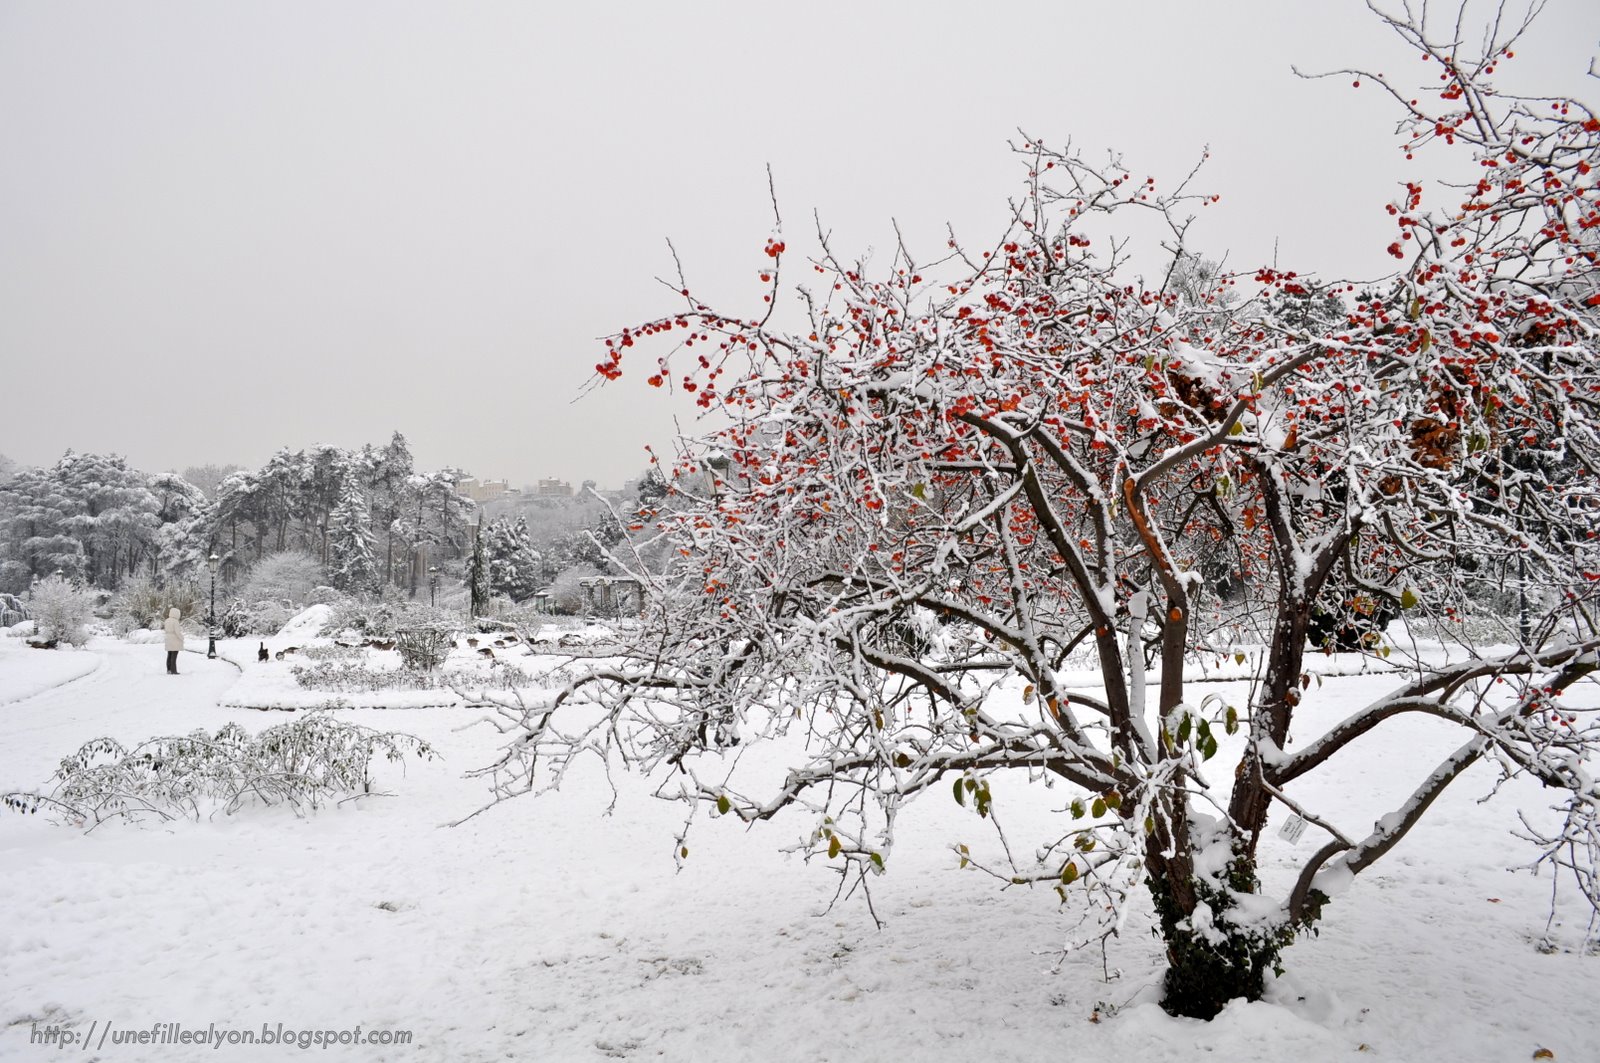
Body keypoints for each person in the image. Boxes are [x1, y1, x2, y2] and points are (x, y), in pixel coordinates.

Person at [163, 607, 183, 674]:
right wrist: (182, 638)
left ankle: (168, 670)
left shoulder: (167, 620)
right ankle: (174, 670)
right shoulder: (175, 621)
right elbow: (177, 632)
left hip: (168, 639)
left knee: (169, 655)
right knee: (174, 656)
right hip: (175, 640)